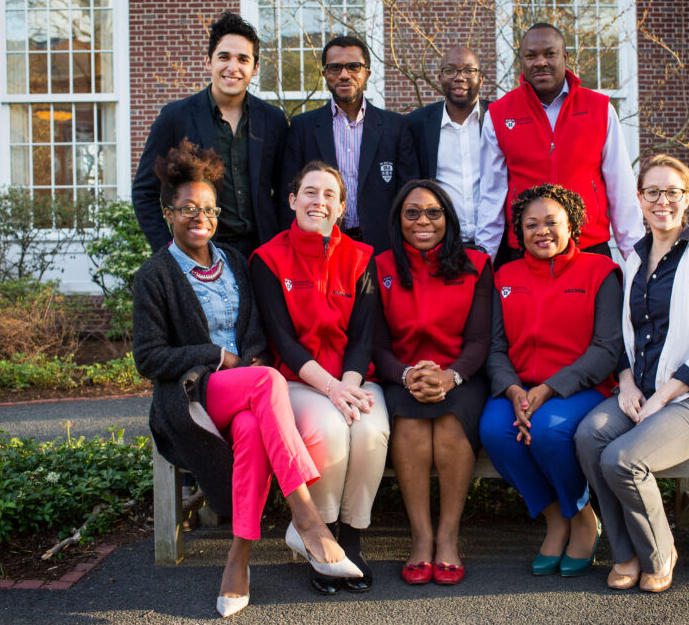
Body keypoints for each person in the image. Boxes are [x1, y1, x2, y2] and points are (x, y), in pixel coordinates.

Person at [132, 141, 361, 618]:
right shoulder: (154, 275)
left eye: (210, 209)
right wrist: (217, 355)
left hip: (246, 391)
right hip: (192, 396)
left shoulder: (237, 262)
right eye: (189, 209)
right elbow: (149, 358)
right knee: (266, 382)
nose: (201, 217)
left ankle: (238, 559)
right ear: (168, 212)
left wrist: (246, 360)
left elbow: (256, 333)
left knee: (257, 422)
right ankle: (307, 517)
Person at [574, 154, 689, 593]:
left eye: (672, 192)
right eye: (652, 192)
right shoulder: (631, 260)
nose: (662, 201)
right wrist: (626, 384)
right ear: (640, 199)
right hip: (639, 393)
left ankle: (659, 553)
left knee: (621, 459)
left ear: (687, 198)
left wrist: (662, 396)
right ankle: (624, 554)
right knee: (589, 438)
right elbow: (623, 335)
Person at [251, 160, 389, 595]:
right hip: (297, 379)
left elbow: (363, 336)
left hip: (353, 377)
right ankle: (320, 536)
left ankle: (352, 536)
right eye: (310, 192)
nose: (320, 201)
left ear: (342, 208)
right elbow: (283, 341)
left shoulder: (362, 257)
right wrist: (330, 390)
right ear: (293, 201)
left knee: (370, 430)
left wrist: (347, 386)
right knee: (328, 429)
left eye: (330, 194)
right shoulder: (268, 259)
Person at [479, 183, 623, 578]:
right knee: (494, 429)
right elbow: (495, 346)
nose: (541, 231)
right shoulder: (503, 276)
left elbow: (607, 348)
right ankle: (555, 517)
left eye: (551, 222)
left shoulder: (601, 272)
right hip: (519, 386)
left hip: (580, 387)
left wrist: (549, 389)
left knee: (548, 432)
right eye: (531, 224)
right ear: (519, 233)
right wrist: (512, 390)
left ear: (572, 224)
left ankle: (582, 516)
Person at [373, 179, 492, 586]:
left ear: (447, 218)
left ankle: (448, 539)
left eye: (433, 212)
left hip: (462, 375)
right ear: (398, 220)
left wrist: (450, 375)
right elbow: (376, 343)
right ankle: (421, 539)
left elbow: (479, 341)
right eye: (412, 213)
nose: (423, 221)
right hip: (401, 375)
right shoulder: (381, 266)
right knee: (408, 429)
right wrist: (407, 375)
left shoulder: (476, 264)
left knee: (450, 430)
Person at [476, 22, 645, 263]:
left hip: (588, 248)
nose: (540, 62)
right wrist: (486, 261)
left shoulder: (599, 109)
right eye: (531, 56)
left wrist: (636, 259)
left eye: (549, 53)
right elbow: (491, 196)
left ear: (565, 57)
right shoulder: (499, 114)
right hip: (524, 251)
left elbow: (621, 188)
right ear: (521, 61)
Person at [133, 12, 287, 258]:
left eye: (243, 59)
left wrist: (282, 249)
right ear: (208, 62)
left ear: (255, 67)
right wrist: (170, 253)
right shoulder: (175, 117)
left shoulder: (274, 120)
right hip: (200, 253)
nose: (232, 67)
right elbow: (144, 192)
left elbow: (286, 194)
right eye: (224, 57)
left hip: (264, 255)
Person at [280, 35, 417, 253]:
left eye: (354, 67)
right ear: (325, 74)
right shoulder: (302, 127)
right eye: (335, 68)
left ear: (367, 73)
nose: (344, 75)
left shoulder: (395, 127)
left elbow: (409, 193)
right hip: (321, 247)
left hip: (382, 248)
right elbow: (288, 193)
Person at [406, 46, 489, 249]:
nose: (459, 78)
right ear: (440, 77)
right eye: (450, 71)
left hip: (494, 242)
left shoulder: (497, 119)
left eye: (469, 71)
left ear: (481, 78)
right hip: (441, 245)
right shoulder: (417, 124)